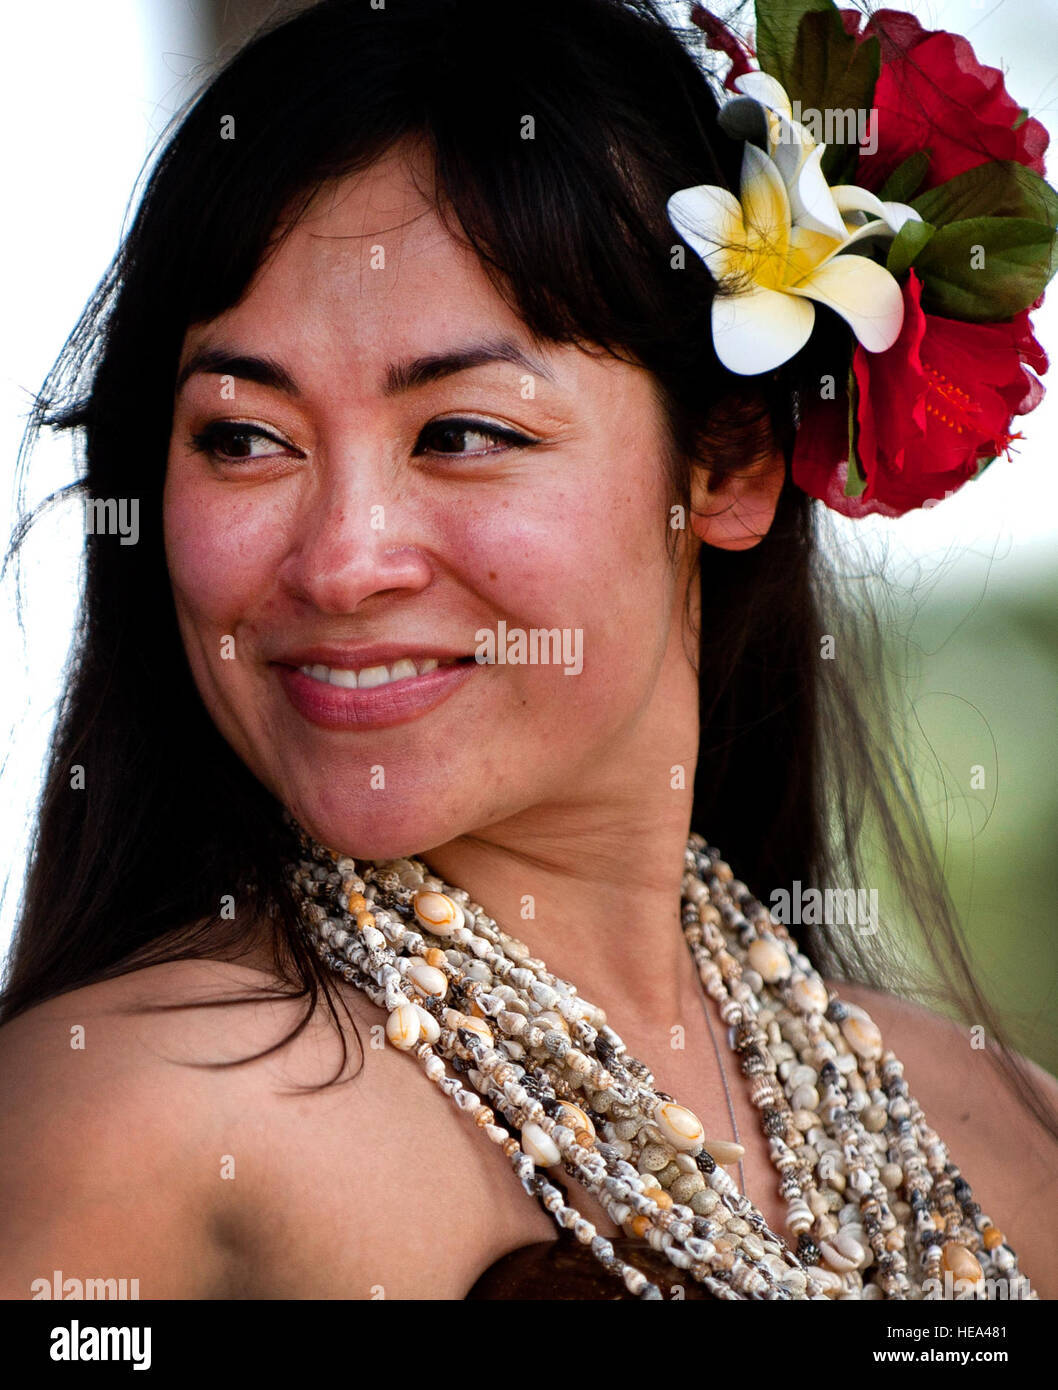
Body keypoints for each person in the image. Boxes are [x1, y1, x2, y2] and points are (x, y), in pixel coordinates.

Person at [2, 0, 1057, 1301]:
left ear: (726, 459)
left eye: (459, 433)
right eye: (242, 437)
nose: (341, 559)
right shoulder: (135, 1119)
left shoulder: (1011, 1141)